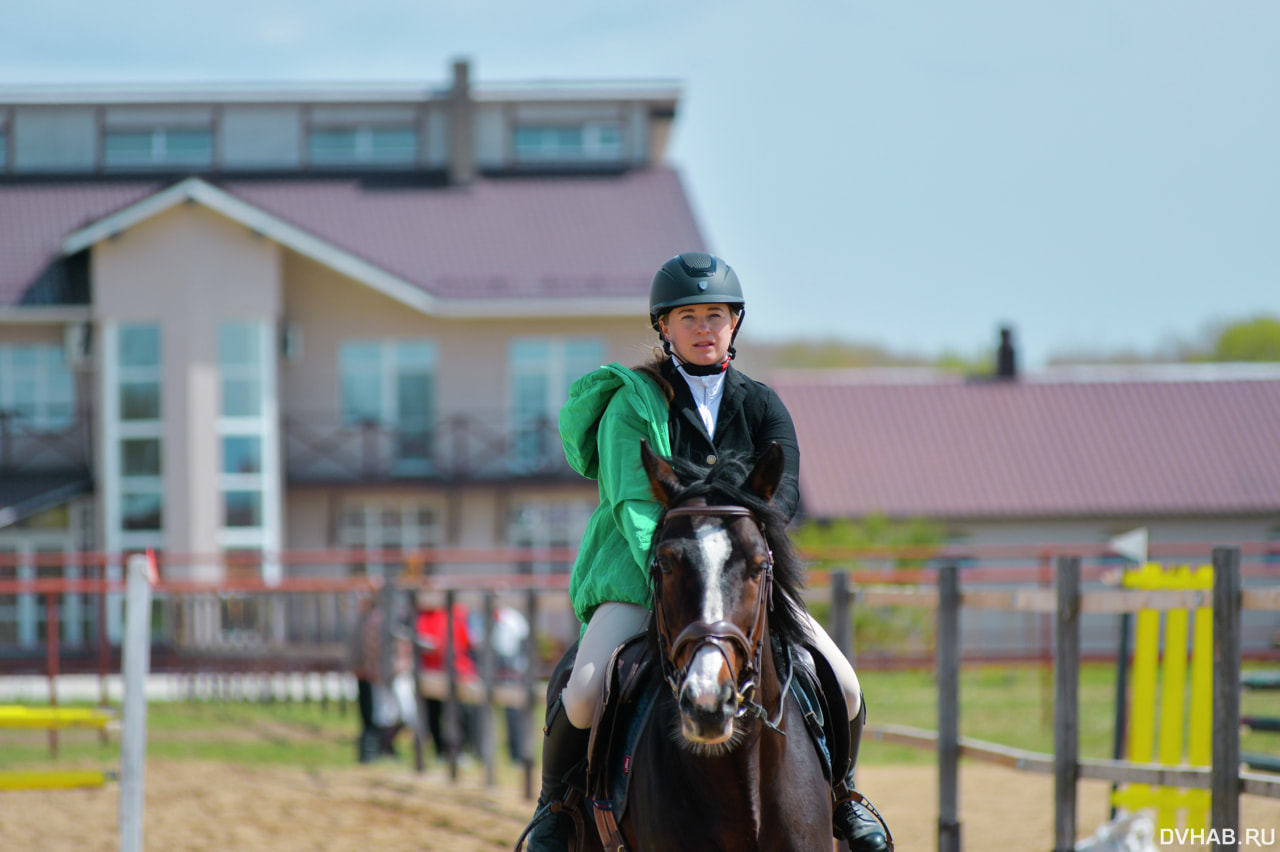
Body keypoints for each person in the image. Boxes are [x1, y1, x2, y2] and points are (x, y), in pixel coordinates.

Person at [522, 252, 889, 851]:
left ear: (734, 324)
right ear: (662, 327)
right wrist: (669, 569)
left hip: (740, 580)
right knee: (586, 687)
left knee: (842, 683)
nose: (702, 327)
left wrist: (741, 551)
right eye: (686, 316)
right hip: (647, 577)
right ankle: (556, 809)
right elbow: (633, 502)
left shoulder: (762, 404)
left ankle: (845, 796)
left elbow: (783, 492)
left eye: (714, 315)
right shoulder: (632, 403)